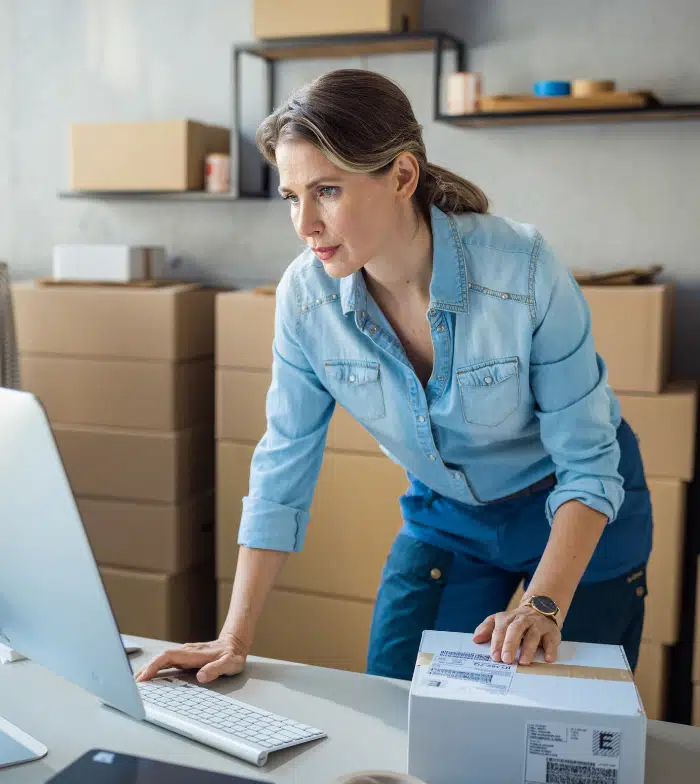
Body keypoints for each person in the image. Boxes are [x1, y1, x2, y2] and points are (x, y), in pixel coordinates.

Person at [136, 69, 652, 686]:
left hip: (580, 510)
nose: (304, 226)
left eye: (326, 191)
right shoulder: (306, 300)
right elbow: (282, 464)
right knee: (394, 698)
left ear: (402, 176)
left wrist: (542, 605)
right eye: (291, 197)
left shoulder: (524, 271)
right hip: (448, 515)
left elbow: (590, 464)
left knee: (557, 743)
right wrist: (233, 636)